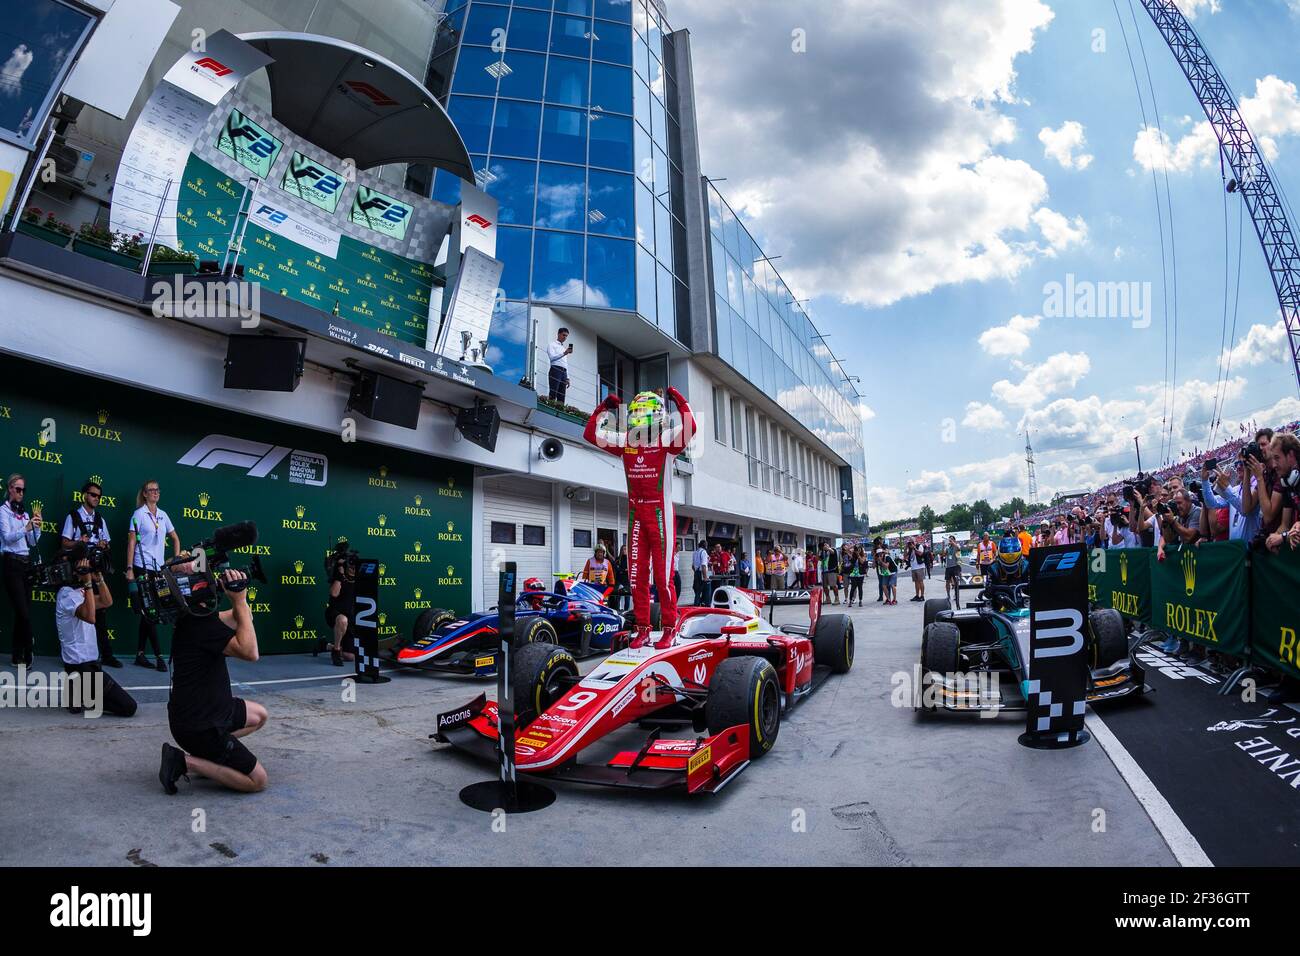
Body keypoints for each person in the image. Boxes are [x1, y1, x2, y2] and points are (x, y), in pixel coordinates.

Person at [583, 387, 695, 647]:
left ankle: (669, 628)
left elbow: (691, 428)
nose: (639, 417)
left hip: (660, 512)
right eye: (636, 412)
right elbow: (590, 434)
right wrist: (603, 408)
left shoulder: (667, 439)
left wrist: (679, 400)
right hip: (635, 512)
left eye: (645, 412)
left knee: (662, 577)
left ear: (657, 415)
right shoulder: (626, 442)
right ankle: (642, 628)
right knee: (636, 577)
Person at [159, 568, 269, 795]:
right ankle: (186, 762)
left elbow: (237, 618)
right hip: (201, 726)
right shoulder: (202, 626)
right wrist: (240, 600)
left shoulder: (192, 618)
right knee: (257, 780)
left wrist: (239, 600)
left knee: (259, 715)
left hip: (200, 712)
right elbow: (251, 652)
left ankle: (211, 756)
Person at [55, 544, 136, 717]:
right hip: (80, 666)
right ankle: (80, 692)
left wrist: (98, 578)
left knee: (118, 702)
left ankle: (79, 693)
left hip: (91, 664)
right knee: (129, 707)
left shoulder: (80, 592)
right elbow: (91, 616)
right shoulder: (66, 595)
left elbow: (107, 602)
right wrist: (89, 584)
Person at [61, 479, 119, 667]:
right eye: (93, 495)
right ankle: (74, 656)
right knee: (79, 613)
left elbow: (107, 542)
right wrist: (80, 542)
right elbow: (64, 543)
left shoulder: (100, 519)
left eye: (99, 496)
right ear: (84, 495)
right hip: (78, 570)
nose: (96, 499)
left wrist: (103, 544)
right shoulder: (73, 516)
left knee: (101, 612)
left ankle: (106, 654)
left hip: (96, 569)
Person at [124, 479, 181, 672]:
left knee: (148, 613)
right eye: (151, 490)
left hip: (159, 570)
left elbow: (175, 538)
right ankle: (158, 656)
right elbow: (131, 542)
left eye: (157, 489)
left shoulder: (163, 515)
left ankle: (140, 654)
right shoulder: (138, 514)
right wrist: (130, 568)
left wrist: (174, 560)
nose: (155, 493)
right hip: (141, 568)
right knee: (150, 612)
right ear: (145, 494)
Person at [2, 474, 40, 666]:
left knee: (22, 612)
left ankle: (17, 655)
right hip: (11, 564)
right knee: (23, 612)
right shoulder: (3, 511)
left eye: (23, 489)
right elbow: (7, 538)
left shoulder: (25, 513)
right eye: (17, 489)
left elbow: (32, 542)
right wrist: (25, 529)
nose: (20, 493)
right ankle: (29, 646)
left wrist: (36, 528)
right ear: (9, 489)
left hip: (26, 564)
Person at [325, 545, 357, 667]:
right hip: (334, 613)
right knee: (342, 619)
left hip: (350, 618)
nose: (353, 568)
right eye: (351, 565)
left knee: (350, 657)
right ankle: (336, 651)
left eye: (355, 565)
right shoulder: (339, 576)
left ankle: (326, 646)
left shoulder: (359, 579)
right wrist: (339, 573)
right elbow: (334, 593)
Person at [547, 327, 573, 404]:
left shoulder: (563, 348)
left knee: (562, 394)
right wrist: (564, 353)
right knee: (553, 391)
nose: (565, 337)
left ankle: (559, 411)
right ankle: (551, 408)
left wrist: (568, 377)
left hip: (564, 372)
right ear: (558, 334)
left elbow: (565, 363)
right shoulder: (552, 345)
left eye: (566, 336)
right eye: (563, 335)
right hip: (555, 369)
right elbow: (552, 358)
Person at [942, 534, 961, 600]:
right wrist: (943, 545)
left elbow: (958, 549)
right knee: (947, 582)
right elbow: (943, 554)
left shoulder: (956, 546)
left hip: (955, 566)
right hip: (948, 567)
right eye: (949, 540)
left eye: (952, 539)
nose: (950, 541)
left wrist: (952, 542)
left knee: (956, 582)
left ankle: (956, 595)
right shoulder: (947, 547)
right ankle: (948, 595)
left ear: (954, 540)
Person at [692, 540, 709, 606]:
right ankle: (698, 606)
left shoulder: (695, 552)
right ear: (704, 545)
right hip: (701, 573)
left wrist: (696, 573)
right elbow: (703, 565)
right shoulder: (703, 552)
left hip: (696, 573)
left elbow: (693, 566)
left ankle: (698, 604)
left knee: (697, 591)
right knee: (704, 591)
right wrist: (705, 577)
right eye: (706, 544)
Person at [614, 544, 630, 611]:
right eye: (623, 549)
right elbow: (617, 569)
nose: (624, 551)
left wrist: (622, 570)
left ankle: (626, 611)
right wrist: (624, 570)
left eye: (625, 549)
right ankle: (617, 611)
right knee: (617, 597)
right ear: (621, 550)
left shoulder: (629, 559)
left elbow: (630, 570)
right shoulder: (618, 559)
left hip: (627, 581)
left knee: (627, 598)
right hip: (619, 580)